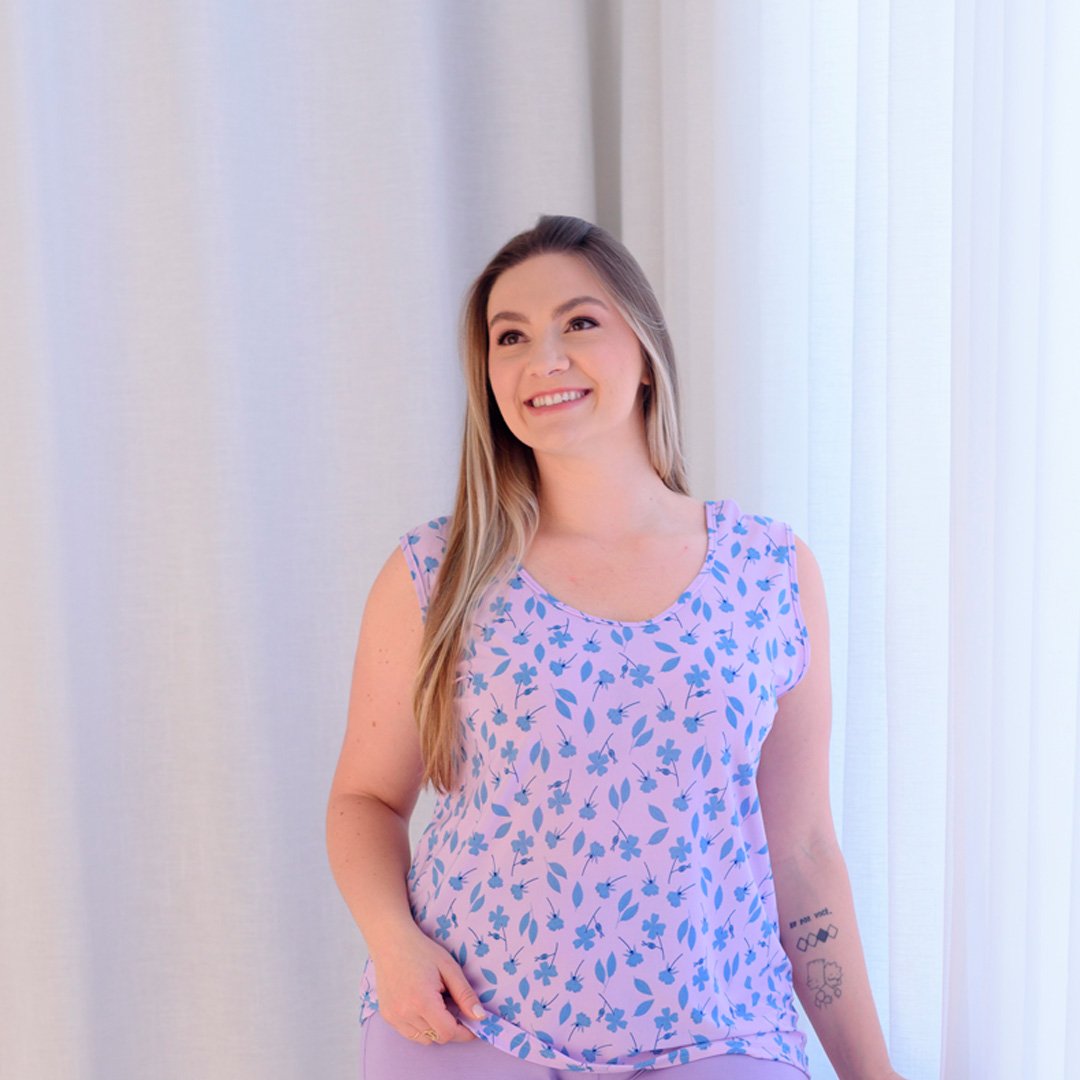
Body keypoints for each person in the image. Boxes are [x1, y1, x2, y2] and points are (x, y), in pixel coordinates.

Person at [326, 215, 905, 1079]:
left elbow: (804, 850)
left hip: (719, 1032)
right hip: (470, 1025)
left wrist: (873, 1072)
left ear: (644, 347)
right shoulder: (434, 572)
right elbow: (365, 800)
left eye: (579, 322)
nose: (544, 358)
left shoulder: (769, 573)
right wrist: (392, 941)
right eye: (510, 336)